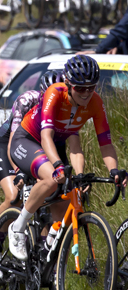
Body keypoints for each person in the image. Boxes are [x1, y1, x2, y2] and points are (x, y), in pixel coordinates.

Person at [7, 55, 125, 261]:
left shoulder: (96, 102)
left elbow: (105, 143)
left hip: (54, 144)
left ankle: (48, 256)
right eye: (81, 88)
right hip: (27, 140)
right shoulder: (55, 93)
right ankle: (17, 227)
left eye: (92, 87)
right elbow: (46, 137)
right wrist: (58, 165)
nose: (87, 93)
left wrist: (114, 171)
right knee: (52, 178)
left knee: (64, 206)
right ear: (69, 84)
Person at [0, 69, 64, 276]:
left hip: (38, 146)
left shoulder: (66, 108)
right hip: (10, 143)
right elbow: (14, 141)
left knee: (48, 199)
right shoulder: (27, 100)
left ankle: (39, 261)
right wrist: (18, 171)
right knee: (14, 196)